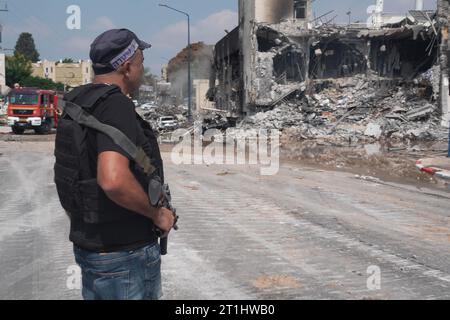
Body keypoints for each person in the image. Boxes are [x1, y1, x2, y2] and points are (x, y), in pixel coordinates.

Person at [54, 29, 175, 300]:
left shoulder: (79, 101)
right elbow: (113, 179)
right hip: (124, 257)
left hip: (95, 248)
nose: (142, 70)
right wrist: (157, 215)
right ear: (126, 66)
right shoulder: (115, 105)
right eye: (141, 62)